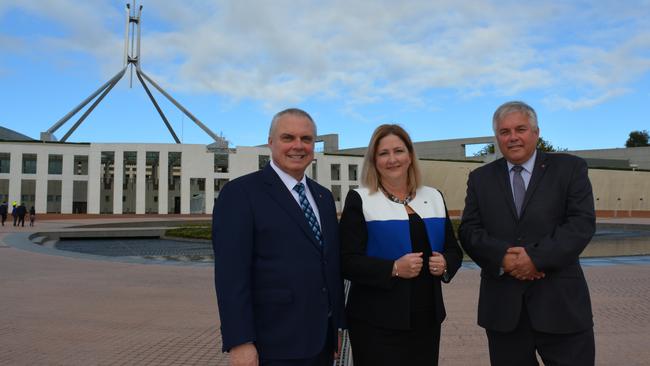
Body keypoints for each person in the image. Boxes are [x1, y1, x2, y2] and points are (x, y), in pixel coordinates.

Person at [459, 101, 596, 366]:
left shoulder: (570, 169)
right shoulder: (480, 178)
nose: (512, 138)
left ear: (536, 132)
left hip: (561, 306)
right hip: (504, 312)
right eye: (504, 132)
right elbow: (469, 231)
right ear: (497, 137)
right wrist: (503, 259)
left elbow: (581, 224)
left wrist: (534, 259)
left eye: (520, 129)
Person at [212, 108, 345, 366]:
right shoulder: (240, 194)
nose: (298, 146)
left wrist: (336, 325)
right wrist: (240, 341)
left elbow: (329, 264)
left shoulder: (323, 197)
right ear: (271, 142)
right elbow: (231, 276)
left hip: (321, 342)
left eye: (306, 139)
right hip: (272, 345)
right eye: (288, 138)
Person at [340, 124, 463, 366]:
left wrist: (446, 263)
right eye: (383, 153)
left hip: (426, 318)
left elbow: (453, 249)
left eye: (398, 151)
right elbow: (346, 260)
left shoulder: (434, 196)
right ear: (374, 160)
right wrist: (393, 268)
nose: (392, 159)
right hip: (375, 321)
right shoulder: (361, 199)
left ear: (410, 156)